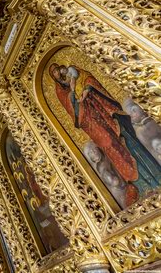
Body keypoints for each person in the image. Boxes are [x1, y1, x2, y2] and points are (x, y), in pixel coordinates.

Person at [49, 63, 161, 198]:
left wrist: (86, 89)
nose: (57, 73)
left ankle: (157, 175)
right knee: (113, 147)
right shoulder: (60, 91)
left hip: (105, 110)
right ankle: (143, 187)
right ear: (53, 77)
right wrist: (74, 95)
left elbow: (89, 79)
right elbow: (71, 108)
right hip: (93, 123)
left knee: (127, 137)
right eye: (54, 72)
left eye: (57, 69)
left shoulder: (74, 72)